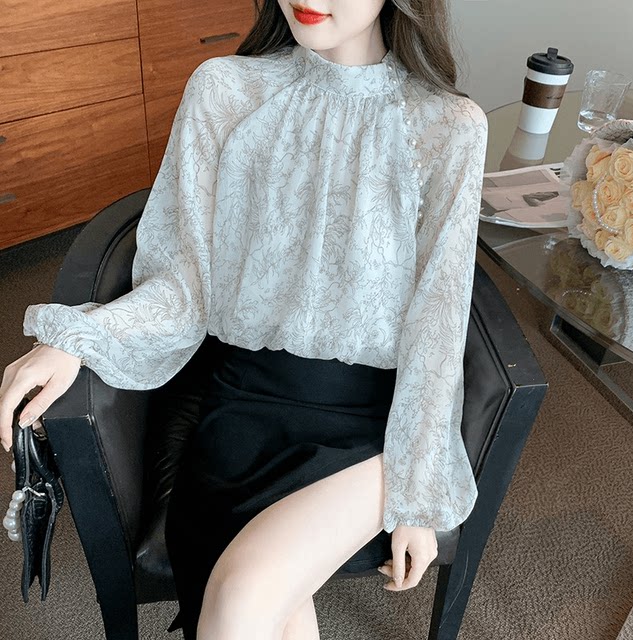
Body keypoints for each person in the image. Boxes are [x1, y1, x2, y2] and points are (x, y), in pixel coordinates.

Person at [0, 0, 488, 637]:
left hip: (370, 432)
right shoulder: (226, 91)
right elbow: (184, 282)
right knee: (262, 608)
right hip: (239, 414)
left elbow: (438, 323)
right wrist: (77, 340)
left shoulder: (449, 126)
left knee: (241, 599)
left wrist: (419, 497)